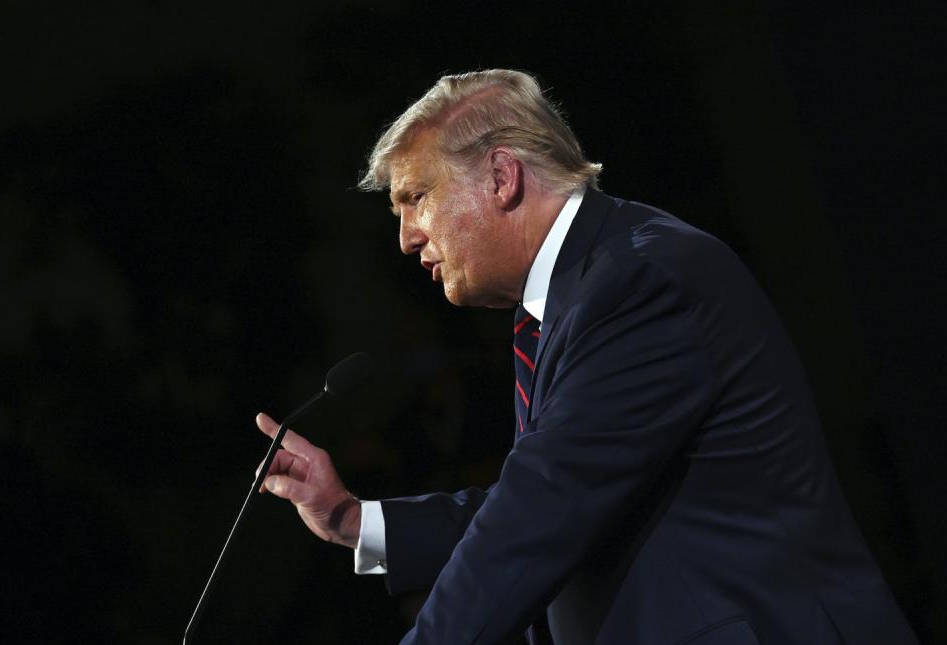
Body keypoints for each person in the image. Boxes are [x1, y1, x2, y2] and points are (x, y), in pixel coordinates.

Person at [256, 70, 917, 644]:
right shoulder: (580, 295)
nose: (406, 238)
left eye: (417, 198)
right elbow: (540, 497)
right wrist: (352, 520)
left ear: (502, 176)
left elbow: (540, 509)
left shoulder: (639, 280)